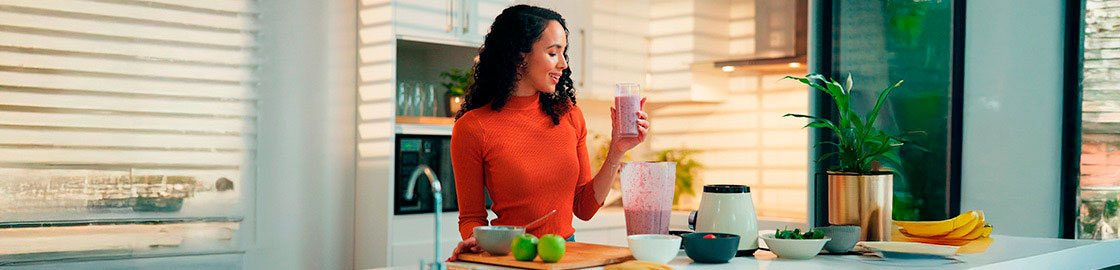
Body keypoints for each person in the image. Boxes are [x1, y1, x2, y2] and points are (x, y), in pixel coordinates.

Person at [448, 5, 649, 261]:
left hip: (563, 256)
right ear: (520, 56)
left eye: (564, 52)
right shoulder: (473, 126)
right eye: (553, 53)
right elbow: (471, 218)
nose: (563, 64)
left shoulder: (569, 115)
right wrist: (475, 239)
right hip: (511, 258)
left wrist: (617, 149)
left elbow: (584, 209)